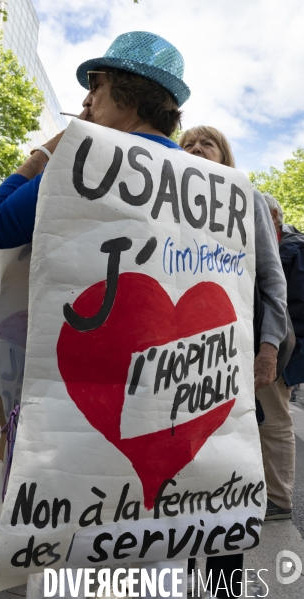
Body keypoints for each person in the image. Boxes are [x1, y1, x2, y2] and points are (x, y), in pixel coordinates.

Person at [0, 35, 286, 599]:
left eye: (95, 85)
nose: (88, 100)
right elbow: (263, 281)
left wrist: (48, 150)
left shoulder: (81, 161)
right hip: (183, 396)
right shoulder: (230, 190)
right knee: (159, 554)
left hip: (81, 408)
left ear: (127, 92)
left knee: (79, 558)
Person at [179, 126, 287, 597]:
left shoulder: (249, 198)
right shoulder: (159, 201)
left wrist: (268, 349)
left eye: (207, 144)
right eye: (187, 144)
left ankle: (222, 587)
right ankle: (176, 578)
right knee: (175, 479)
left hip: (233, 360)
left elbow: (272, 278)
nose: (196, 150)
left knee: (226, 478)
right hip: (173, 362)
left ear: (225, 154)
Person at [258, 192, 303, 519]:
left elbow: (283, 301)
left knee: (274, 420)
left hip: (280, 346)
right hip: (280, 344)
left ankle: (279, 498)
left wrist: (273, 349)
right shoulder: (288, 247)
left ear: (272, 217)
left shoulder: (288, 250)